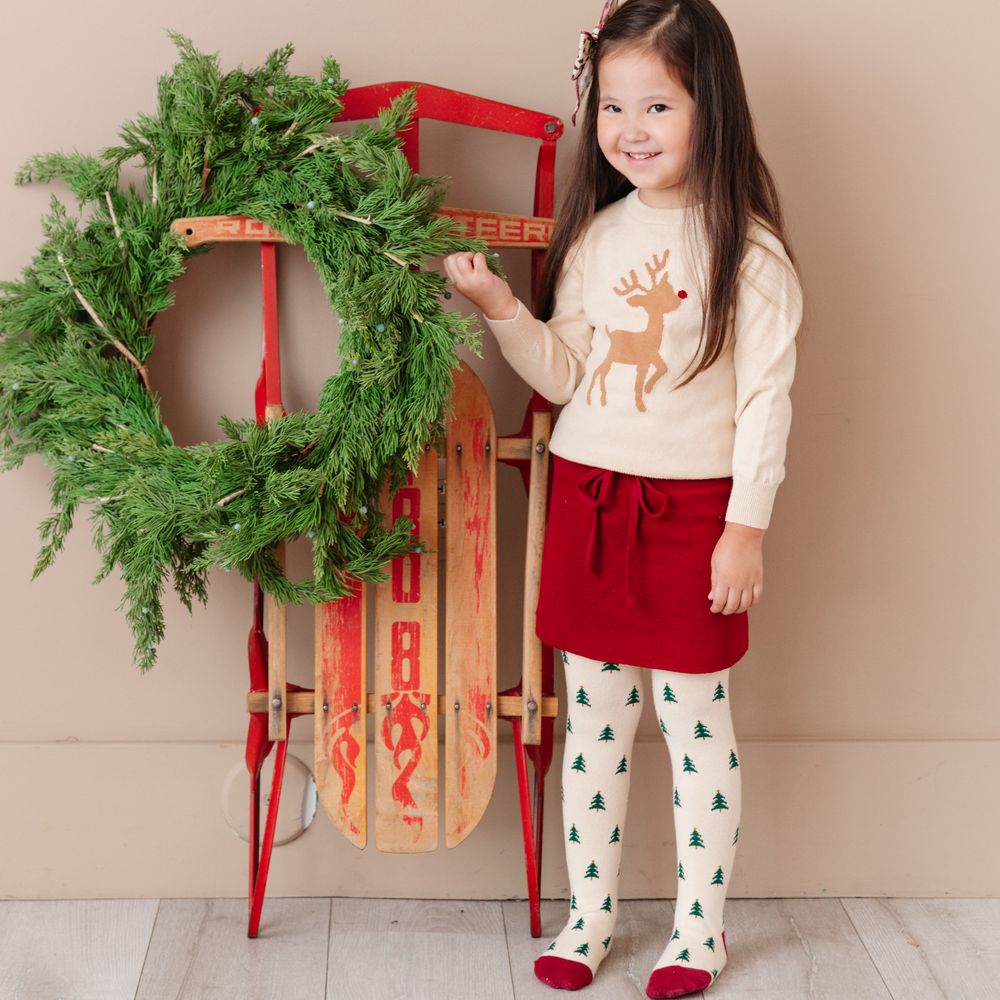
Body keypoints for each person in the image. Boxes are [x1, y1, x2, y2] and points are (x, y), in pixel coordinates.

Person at [444, 0, 801, 995]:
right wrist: (503, 307)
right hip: (590, 508)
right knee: (593, 727)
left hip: (693, 521)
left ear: (711, 109)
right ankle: (591, 913)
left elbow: (766, 404)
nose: (631, 130)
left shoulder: (751, 257)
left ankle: (699, 929)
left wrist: (744, 529)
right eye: (613, 107)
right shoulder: (597, 238)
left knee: (694, 728)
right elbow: (564, 376)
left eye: (658, 105)